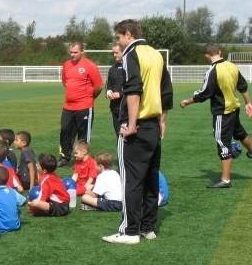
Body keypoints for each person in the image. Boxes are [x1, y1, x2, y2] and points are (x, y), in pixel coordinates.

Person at [103, 19, 173, 245]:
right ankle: (147, 227)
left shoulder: (131, 55)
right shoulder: (155, 54)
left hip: (137, 126)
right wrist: (162, 120)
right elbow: (166, 91)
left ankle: (130, 231)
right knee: (151, 177)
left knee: (131, 180)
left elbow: (133, 91)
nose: (118, 42)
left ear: (129, 34)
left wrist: (131, 124)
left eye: (119, 37)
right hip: (153, 124)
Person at [180, 43, 252, 188]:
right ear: (220, 52)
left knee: (222, 143)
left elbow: (204, 93)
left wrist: (187, 101)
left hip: (222, 113)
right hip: (234, 109)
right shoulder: (232, 66)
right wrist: (248, 103)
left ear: (207, 56)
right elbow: (243, 86)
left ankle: (225, 180)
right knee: (240, 134)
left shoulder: (212, 71)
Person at [58, 42, 103, 167]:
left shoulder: (90, 65)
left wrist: (90, 97)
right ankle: (65, 157)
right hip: (68, 107)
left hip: (84, 106)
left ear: (82, 52)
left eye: (75, 52)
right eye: (71, 52)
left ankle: (84, 159)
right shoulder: (66, 65)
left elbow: (99, 86)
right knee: (65, 131)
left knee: (83, 135)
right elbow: (65, 82)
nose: (72, 55)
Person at [106, 43, 125, 138]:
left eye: (116, 53)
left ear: (123, 51)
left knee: (127, 138)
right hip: (115, 109)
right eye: (113, 53)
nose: (114, 55)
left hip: (127, 109)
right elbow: (108, 85)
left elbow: (135, 87)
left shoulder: (130, 68)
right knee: (119, 137)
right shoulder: (112, 69)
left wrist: (121, 94)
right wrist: (108, 92)